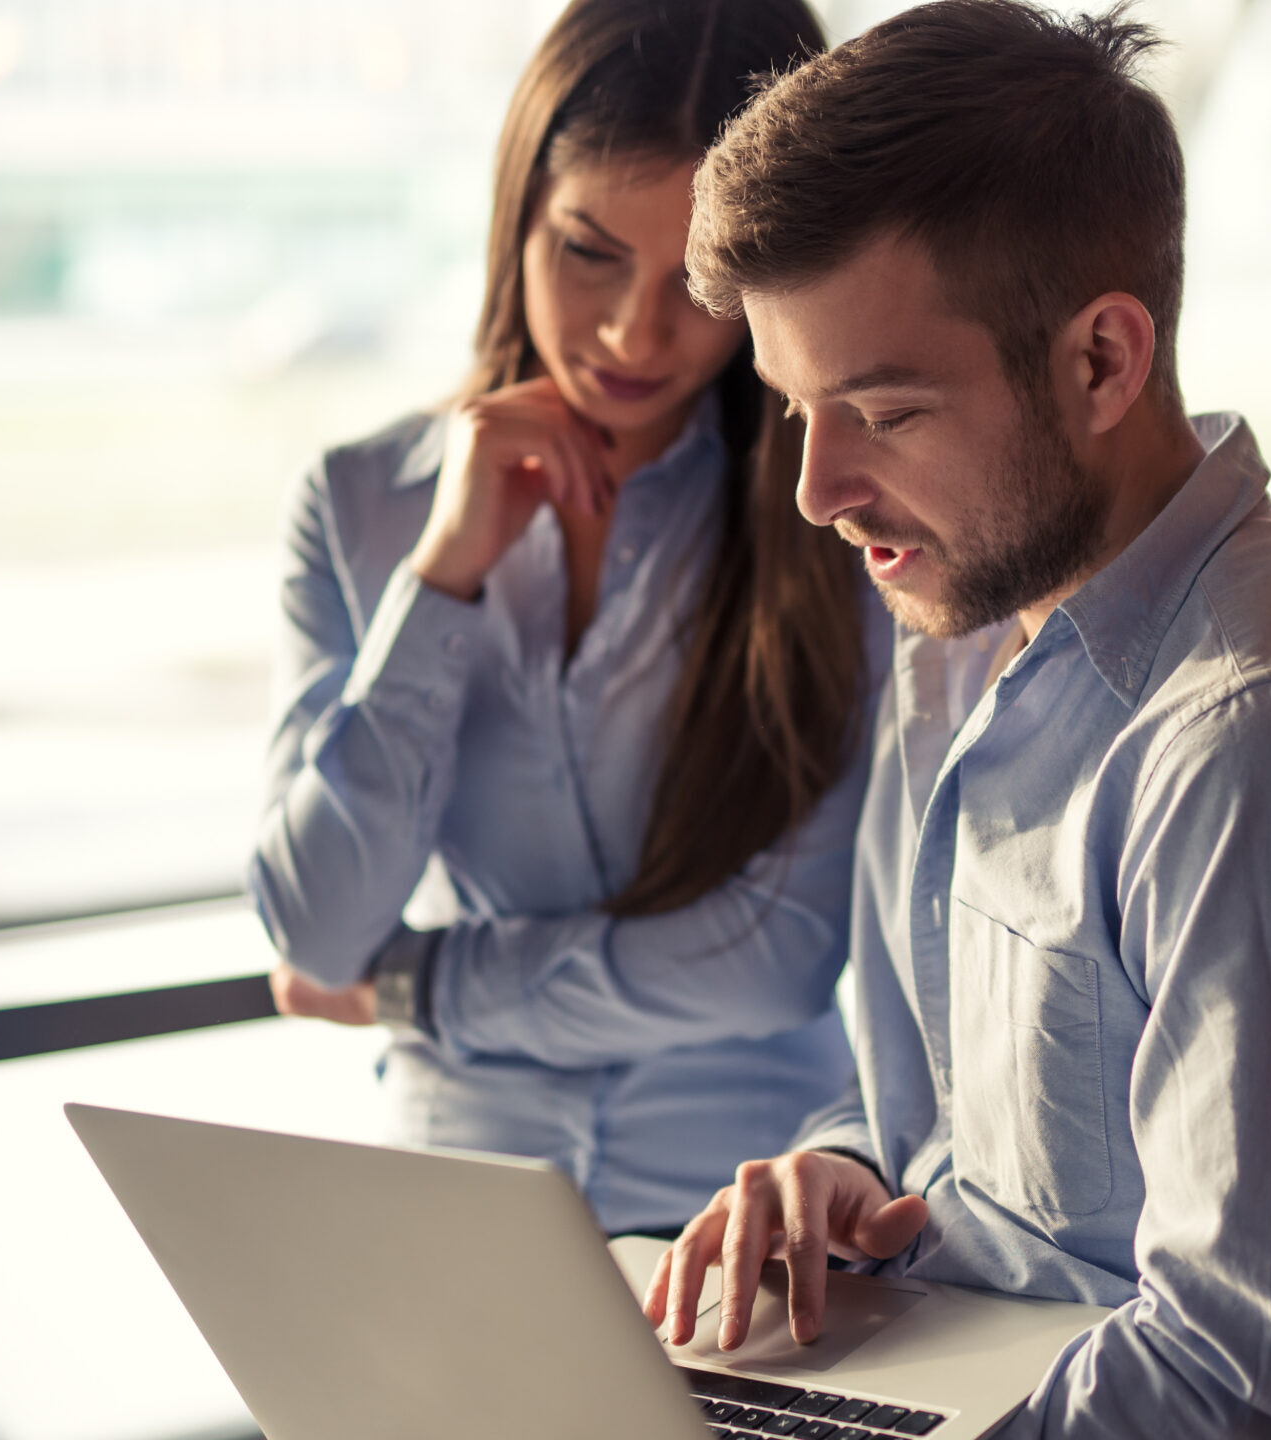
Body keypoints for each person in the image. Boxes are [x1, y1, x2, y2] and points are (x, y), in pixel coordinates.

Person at [642, 3, 1271, 1435]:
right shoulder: (956, 640)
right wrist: (853, 1183)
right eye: (794, 408)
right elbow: (964, 1142)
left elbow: (1236, 1396)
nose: (817, 490)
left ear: (1102, 362)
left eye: (881, 411)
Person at [250, 0, 885, 1238]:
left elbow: (775, 958)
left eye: (698, 282)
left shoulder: (838, 523)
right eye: (589, 251)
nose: (633, 334)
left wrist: (420, 984)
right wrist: (442, 579)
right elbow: (318, 928)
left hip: (751, 1233)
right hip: (456, 1229)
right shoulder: (358, 508)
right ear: (517, 213)